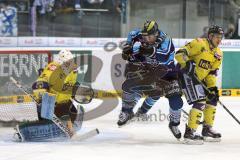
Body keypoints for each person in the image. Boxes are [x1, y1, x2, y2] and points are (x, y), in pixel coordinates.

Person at [118, 20, 184, 140]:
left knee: (176, 100)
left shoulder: (166, 39)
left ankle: (174, 124)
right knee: (129, 85)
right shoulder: (140, 38)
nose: (146, 39)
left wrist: (149, 51)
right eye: (144, 36)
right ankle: (126, 112)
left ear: (156, 34)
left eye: (149, 36)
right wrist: (127, 52)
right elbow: (133, 43)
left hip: (167, 72)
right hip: (149, 71)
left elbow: (164, 56)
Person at [15, 49, 84, 141]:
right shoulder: (53, 67)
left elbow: (72, 82)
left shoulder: (73, 69)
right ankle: (27, 131)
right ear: (60, 61)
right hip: (50, 99)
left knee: (71, 112)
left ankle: (69, 130)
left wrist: (73, 91)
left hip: (63, 98)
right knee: (46, 120)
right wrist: (40, 94)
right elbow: (42, 80)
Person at [175, 25, 224, 144]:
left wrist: (212, 88)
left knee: (212, 99)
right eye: (216, 37)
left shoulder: (218, 53)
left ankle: (207, 129)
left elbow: (211, 73)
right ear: (210, 36)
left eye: (220, 37)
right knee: (200, 100)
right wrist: (186, 63)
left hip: (198, 78)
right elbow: (179, 53)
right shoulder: (199, 43)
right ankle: (190, 132)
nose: (219, 40)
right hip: (184, 75)